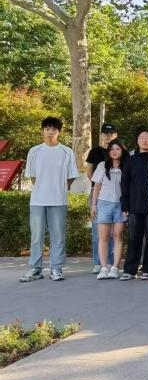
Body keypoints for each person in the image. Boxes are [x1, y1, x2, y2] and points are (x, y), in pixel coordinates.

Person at [20, 117, 79, 282]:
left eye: (54, 129)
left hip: (58, 200)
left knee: (58, 236)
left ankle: (56, 269)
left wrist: (60, 189)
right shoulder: (34, 151)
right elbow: (32, 176)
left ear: (59, 132)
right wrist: (42, 189)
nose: (50, 132)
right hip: (37, 201)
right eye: (47, 129)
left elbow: (71, 176)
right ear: (42, 131)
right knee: (36, 236)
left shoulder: (66, 152)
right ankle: (36, 269)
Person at [120, 129, 148, 281]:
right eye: (142, 138)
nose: (145, 140)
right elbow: (125, 183)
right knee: (134, 238)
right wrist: (125, 205)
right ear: (137, 141)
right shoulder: (131, 160)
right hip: (135, 205)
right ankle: (130, 270)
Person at [91, 139, 129, 280]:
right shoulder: (102, 165)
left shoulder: (127, 166)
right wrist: (94, 205)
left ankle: (115, 267)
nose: (114, 151)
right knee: (103, 237)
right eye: (112, 149)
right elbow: (97, 187)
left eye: (117, 149)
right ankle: (104, 267)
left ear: (122, 151)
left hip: (120, 205)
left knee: (118, 236)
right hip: (104, 204)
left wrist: (127, 206)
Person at [86, 123, 118, 273]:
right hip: (97, 193)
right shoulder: (95, 151)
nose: (108, 137)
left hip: (115, 195)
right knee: (97, 230)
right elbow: (89, 173)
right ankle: (98, 262)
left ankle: (111, 262)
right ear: (101, 135)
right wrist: (100, 185)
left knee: (113, 232)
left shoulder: (119, 151)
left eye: (111, 134)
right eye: (105, 134)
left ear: (116, 135)